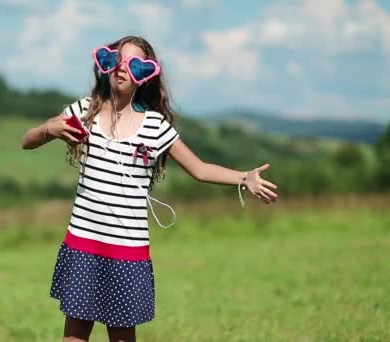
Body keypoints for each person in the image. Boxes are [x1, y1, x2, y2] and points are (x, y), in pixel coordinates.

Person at [21, 35, 278, 342]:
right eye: (116, 61)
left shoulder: (155, 126)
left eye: (133, 64)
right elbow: (28, 141)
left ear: (146, 76)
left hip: (128, 251)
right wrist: (47, 129)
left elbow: (199, 169)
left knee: (121, 337)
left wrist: (243, 178)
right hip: (83, 245)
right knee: (74, 336)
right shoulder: (84, 110)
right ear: (106, 66)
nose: (122, 69)